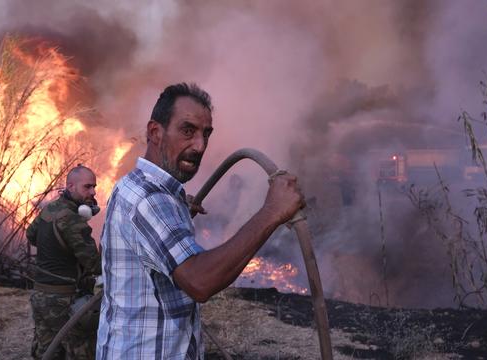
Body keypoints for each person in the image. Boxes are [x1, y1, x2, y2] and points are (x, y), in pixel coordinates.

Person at [96, 83, 305, 359]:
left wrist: (178, 210)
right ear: (155, 132)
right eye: (187, 131)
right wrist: (272, 212)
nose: (200, 145)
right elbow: (200, 282)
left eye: (206, 134)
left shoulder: (139, 188)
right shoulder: (149, 200)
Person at [27, 165, 102, 360]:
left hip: (40, 296)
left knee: (47, 350)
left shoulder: (49, 209)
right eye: (87, 187)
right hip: (65, 300)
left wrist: (58, 251)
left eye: (94, 187)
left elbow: (31, 235)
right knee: (81, 351)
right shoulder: (73, 220)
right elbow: (95, 264)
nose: (93, 192)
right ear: (70, 186)